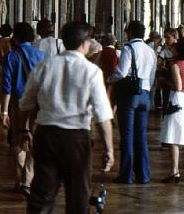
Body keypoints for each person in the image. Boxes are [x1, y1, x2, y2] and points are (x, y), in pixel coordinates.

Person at [18, 22, 115, 213]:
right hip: (76, 138)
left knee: (42, 196)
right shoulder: (92, 71)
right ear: (86, 43)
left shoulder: (44, 66)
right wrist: (109, 148)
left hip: (46, 135)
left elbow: (25, 104)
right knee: (78, 195)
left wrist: (23, 130)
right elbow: (102, 115)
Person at [108, 20, 157, 185]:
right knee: (141, 136)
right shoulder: (151, 51)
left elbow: (121, 73)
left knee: (127, 135)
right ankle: (144, 175)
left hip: (130, 95)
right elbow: (152, 75)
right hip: (145, 93)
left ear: (129, 33)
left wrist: (109, 78)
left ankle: (126, 175)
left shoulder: (129, 48)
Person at [1, 22, 47, 196]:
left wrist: (3, 112)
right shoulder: (42, 56)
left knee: (18, 140)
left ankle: (18, 179)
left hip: (18, 103)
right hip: (38, 103)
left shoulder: (11, 56)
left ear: (16, 37)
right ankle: (28, 179)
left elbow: (6, 87)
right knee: (34, 140)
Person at [159, 38, 184, 183]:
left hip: (177, 99)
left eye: (175, 48)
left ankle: (174, 171)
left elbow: (177, 86)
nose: (172, 49)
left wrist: (164, 80)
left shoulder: (176, 65)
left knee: (173, 137)